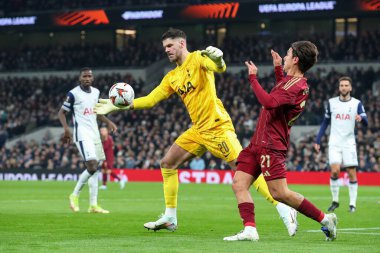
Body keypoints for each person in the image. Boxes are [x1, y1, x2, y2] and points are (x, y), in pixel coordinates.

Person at [95, 28, 297, 235]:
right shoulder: (172, 76)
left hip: (217, 127)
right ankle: (170, 217)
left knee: (243, 169)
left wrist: (218, 59)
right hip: (198, 129)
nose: (167, 50)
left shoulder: (200, 58)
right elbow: (150, 100)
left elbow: (218, 67)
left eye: (170, 45)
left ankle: (283, 207)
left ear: (182, 44)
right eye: (165, 47)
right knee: (167, 164)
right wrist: (119, 106)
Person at [224, 42, 338, 242]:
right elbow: (280, 94)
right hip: (257, 143)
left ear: (295, 59)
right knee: (238, 184)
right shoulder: (291, 82)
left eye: (287, 55)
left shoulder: (297, 86)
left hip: (271, 145)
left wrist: (253, 78)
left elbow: (269, 102)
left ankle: (325, 219)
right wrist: (277, 68)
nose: (283, 57)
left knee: (280, 193)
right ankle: (250, 228)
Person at [58, 67, 117, 214]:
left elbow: (97, 112)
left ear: (93, 78)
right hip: (82, 134)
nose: (87, 78)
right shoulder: (73, 94)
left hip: (95, 133)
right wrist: (66, 129)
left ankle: (93, 205)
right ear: (80, 78)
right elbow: (61, 113)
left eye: (89, 76)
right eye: (84, 76)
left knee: (96, 168)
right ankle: (75, 194)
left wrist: (108, 122)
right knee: (91, 166)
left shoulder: (96, 92)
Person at [314, 76, 368, 213]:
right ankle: (335, 201)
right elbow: (325, 122)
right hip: (334, 142)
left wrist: (361, 118)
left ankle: (352, 204)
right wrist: (318, 140)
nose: (343, 87)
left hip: (349, 143)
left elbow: (366, 121)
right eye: (341, 85)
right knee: (335, 170)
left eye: (346, 85)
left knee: (351, 173)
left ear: (350, 88)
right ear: (339, 88)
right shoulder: (332, 103)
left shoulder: (356, 103)